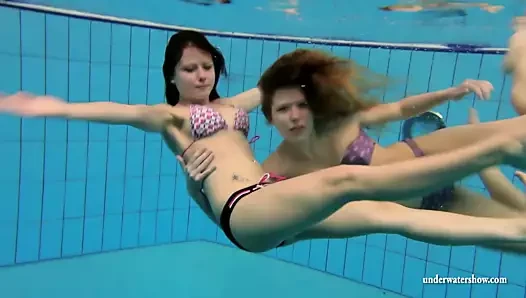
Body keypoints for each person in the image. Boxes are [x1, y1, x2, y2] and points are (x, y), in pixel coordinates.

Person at [3, 30, 526, 254]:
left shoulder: (236, 108)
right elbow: (116, 112)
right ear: (173, 75)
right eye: (190, 69)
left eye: (207, 66)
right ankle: (497, 151)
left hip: (268, 200)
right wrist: (54, 107)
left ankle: (516, 231)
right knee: (348, 179)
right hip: (246, 210)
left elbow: (283, 84)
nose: (202, 74)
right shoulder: (170, 117)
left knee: (384, 212)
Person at [179, 21, 526, 253]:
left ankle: (508, 117)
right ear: (269, 119)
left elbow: (399, 109)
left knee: (499, 136)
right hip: (421, 200)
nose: (295, 116)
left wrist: (452, 92)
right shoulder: (280, 164)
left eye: (301, 106)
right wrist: (198, 188)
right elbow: (261, 213)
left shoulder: (339, 121)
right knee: (515, 231)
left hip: (414, 160)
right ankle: (497, 151)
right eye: (283, 111)